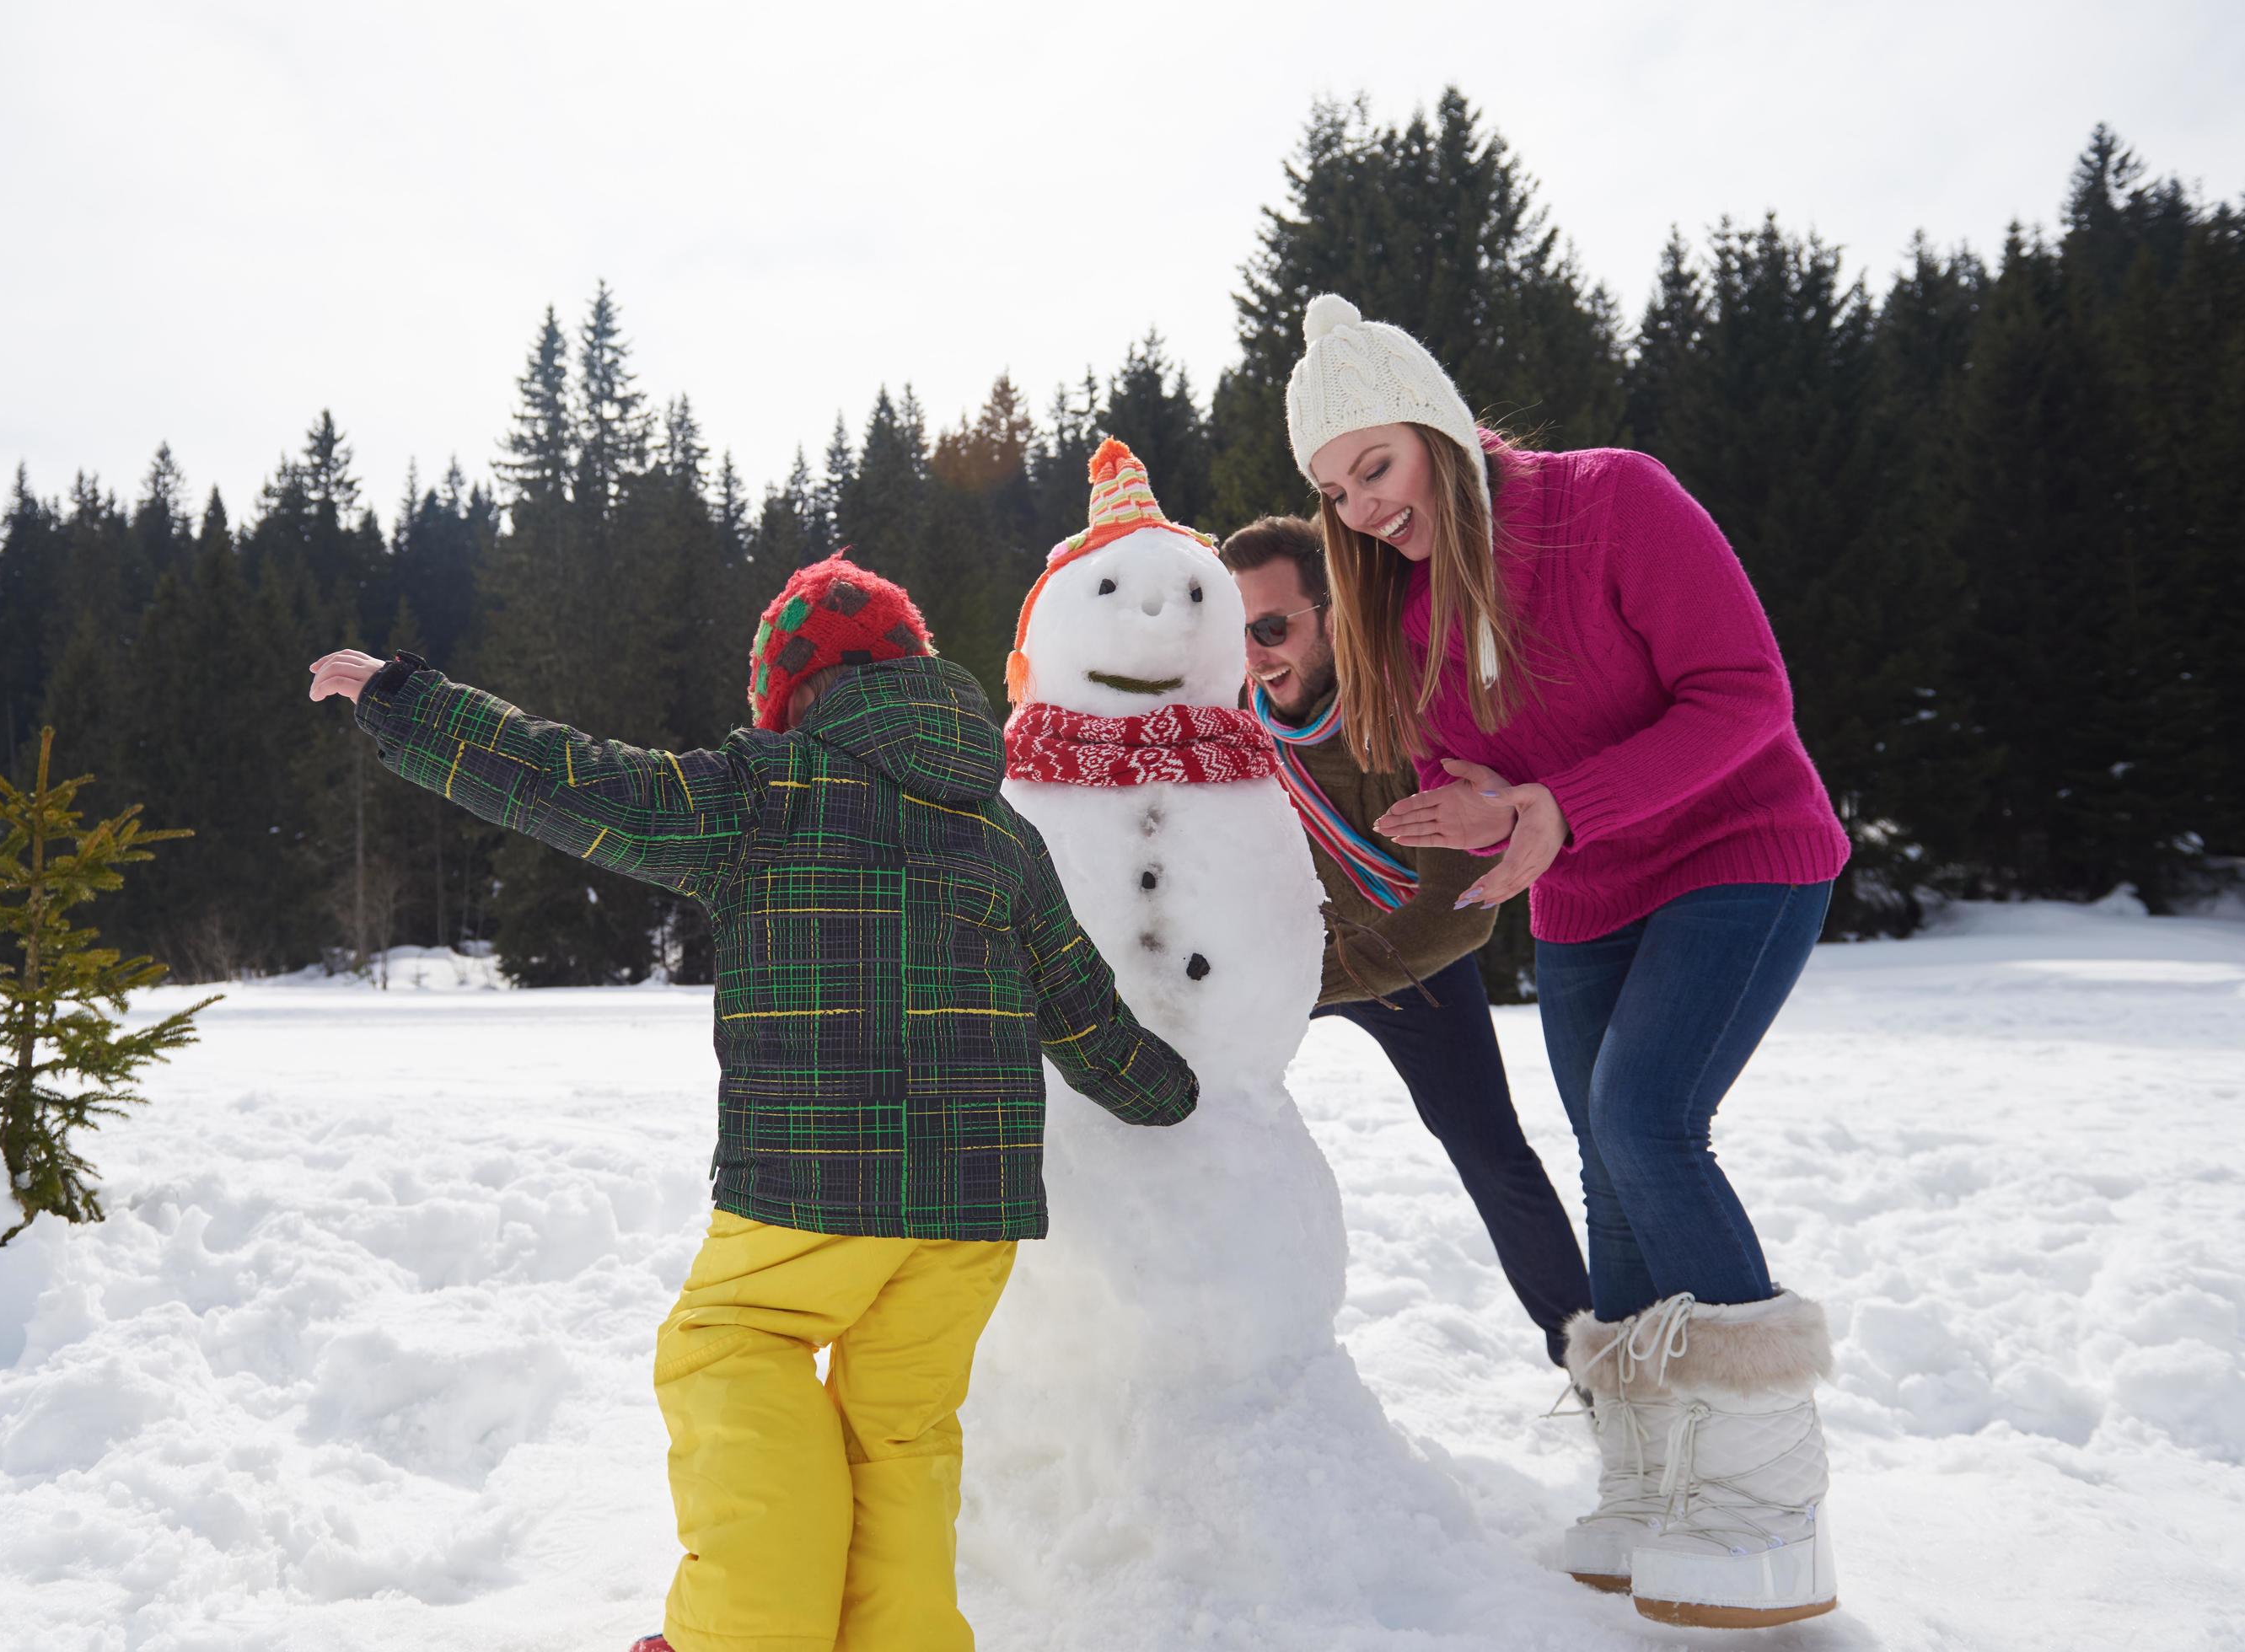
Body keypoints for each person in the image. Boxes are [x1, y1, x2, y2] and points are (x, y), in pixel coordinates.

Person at [307, 552, 1198, 1652]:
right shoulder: (1001, 835)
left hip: (818, 1175)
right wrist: (1171, 1095)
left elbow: (582, 782)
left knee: (732, 1351)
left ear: (792, 692)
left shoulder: (764, 790)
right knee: (901, 1434)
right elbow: (1083, 1010)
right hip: (973, 1207)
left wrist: (408, 704)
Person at [1284, 292, 1850, 1628]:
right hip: (1584, 896)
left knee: (1647, 1121)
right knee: (1603, 1166)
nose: (1361, 509)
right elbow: (1451, 779)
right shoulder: (1400, 614)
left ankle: (1766, 1501)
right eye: (1333, 489)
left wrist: (1550, 809)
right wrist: (1474, 814)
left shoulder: (1613, 501)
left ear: (1432, 428)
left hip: (1741, 849)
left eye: (1375, 465)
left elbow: (1745, 696)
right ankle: (1655, 1478)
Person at [1220, 513, 1590, 1368]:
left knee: (1490, 1153)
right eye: (1234, 629)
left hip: (1405, 965)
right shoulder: (1228, 725)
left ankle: (1592, 1359)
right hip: (1288, 958)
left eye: (1271, 628)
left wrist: (1305, 985)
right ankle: (1214, 1357)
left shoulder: (1408, 713)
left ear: (1334, 612)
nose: (1252, 652)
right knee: (1194, 1116)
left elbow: (1459, 907)